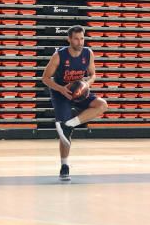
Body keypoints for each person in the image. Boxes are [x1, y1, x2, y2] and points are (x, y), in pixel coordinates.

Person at [40, 26, 109, 181]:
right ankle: (64, 166)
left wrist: (88, 83)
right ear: (69, 39)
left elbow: (93, 74)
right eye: (77, 38)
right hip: (61, 93)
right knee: (64, 136)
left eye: (82, 38)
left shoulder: (88, 53)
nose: (80, 42)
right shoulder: (59, 56)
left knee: (102, 105)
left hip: (79, 91)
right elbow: (45, 78)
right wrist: (61, 89)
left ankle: (69, 125)